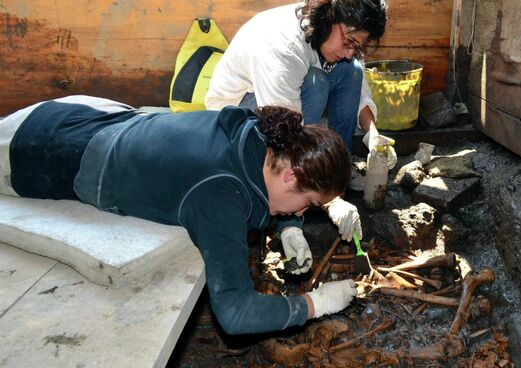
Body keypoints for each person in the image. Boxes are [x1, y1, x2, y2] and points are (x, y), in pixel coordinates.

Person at [0, 95, 358, 335]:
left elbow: (263, 187)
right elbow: (235, 314)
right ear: (290, 175)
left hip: (71, 115)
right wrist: (315, 304)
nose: (303, 212)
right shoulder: (220, 196)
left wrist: (288, 226)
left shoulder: (260, 131)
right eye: (307, 204)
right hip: (34, 152)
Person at [205, 0, 397, 259]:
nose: (351, 51)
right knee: (316, 85)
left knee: (351, 70)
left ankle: (337, 173)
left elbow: (359, 88)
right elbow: (285, 139)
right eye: (350, 42)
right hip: (239, 111)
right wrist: (293, 225)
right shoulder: (282, 47)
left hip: (288, 100)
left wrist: (372, 135)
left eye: (358, 46)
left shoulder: (333, 36)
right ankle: (311, 194)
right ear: (331, 17)